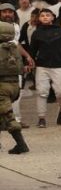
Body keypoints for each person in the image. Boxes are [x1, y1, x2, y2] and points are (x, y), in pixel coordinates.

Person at [30, 8, 61, 128]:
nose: (45, 17)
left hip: (59, 65)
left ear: (53, 17)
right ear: (39, 19)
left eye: (47, 15)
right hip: (42, 65)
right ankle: (41, 118)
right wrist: (29, 62)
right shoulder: (37, 33)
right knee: (42, 92)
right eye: (42, 16)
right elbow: (32, 49)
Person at [0, 21, 30, 154]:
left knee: (9, 117)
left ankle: (21, 144)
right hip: (13, 86)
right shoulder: (14, 49)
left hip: (2, 88)